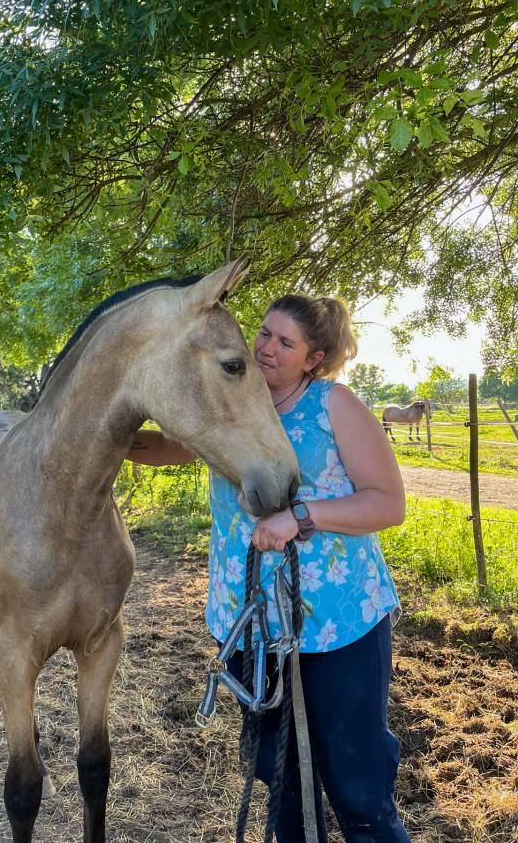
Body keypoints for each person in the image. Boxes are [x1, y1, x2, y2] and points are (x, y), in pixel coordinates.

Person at [127, 293, 409, 843]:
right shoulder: (230, 405)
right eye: (263, 333)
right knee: (279, 782)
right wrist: (96, 428)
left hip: (336, 625)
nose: (266, 349)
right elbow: (162, 447)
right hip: (250, 624)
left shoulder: (335, 406)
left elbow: (387, 504)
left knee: (356, 784)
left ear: (313, 358)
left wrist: (302, 516)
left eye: (286, 342)